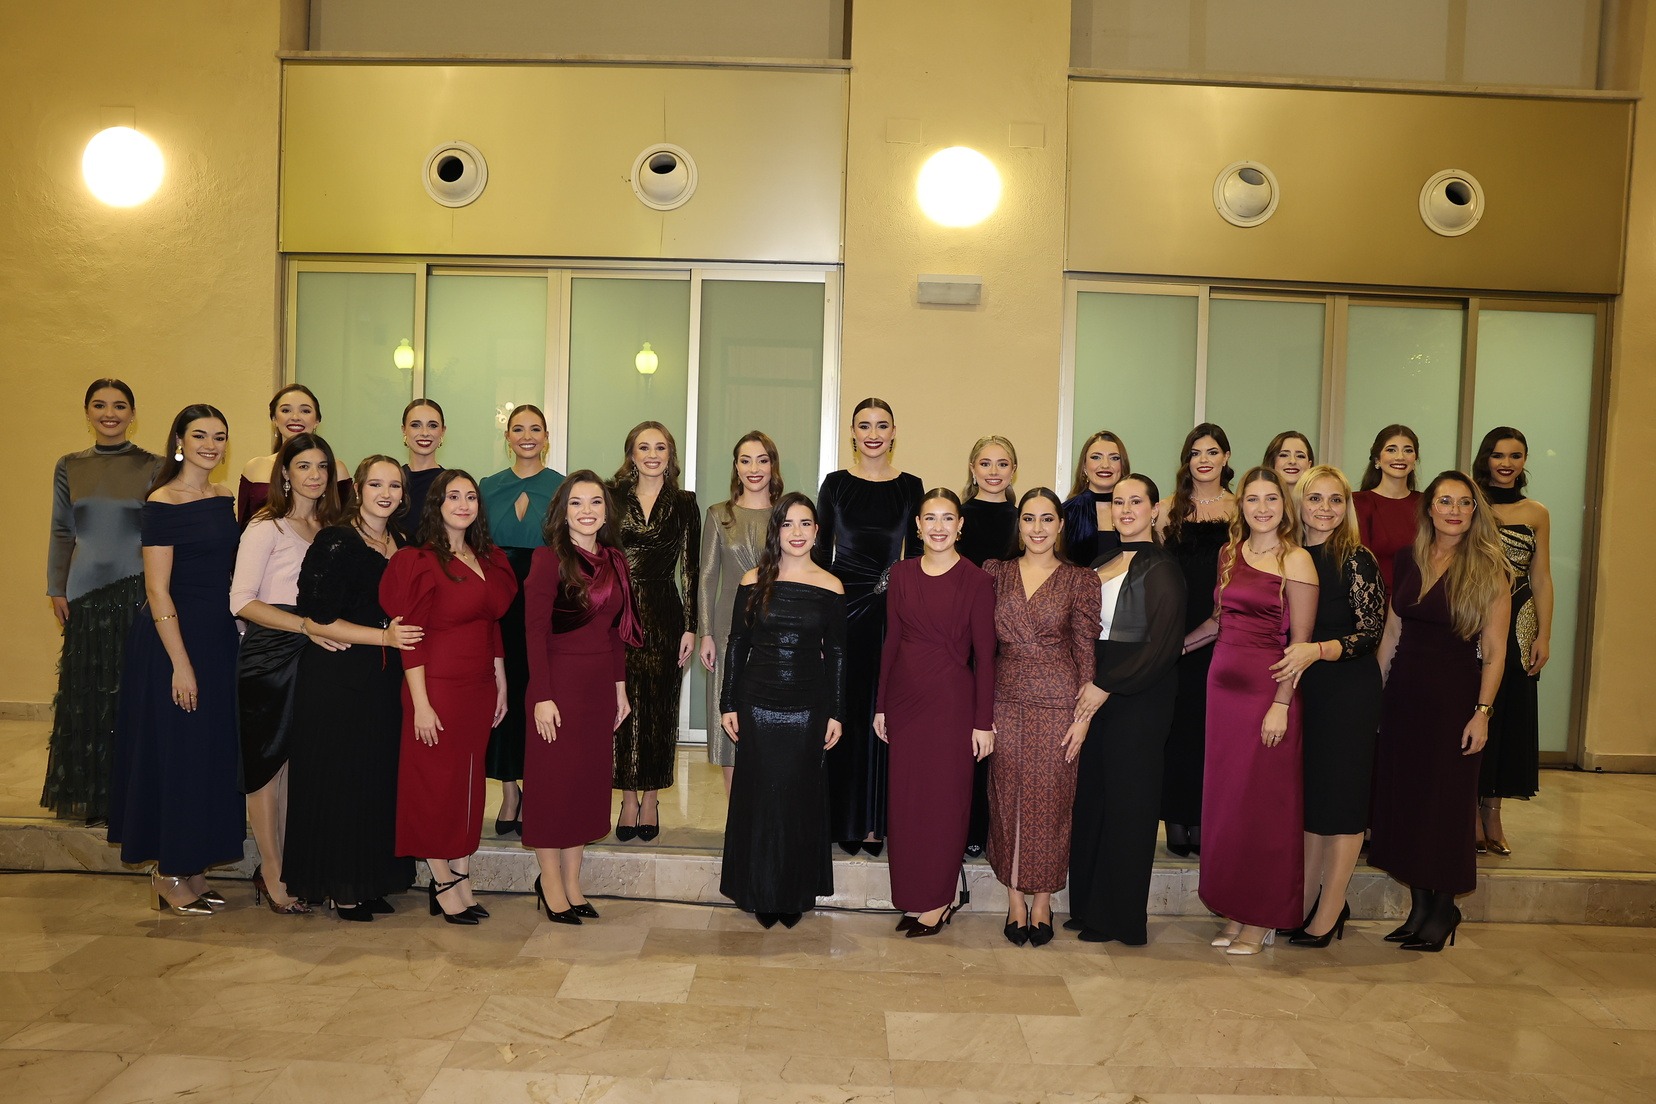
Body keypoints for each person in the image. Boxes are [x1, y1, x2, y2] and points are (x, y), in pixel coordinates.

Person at [108, 405, 245, 915]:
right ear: (180, 442)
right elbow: (157, 589)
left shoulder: (223, 497)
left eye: (219, 436)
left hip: (217, 637)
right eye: (200, 435)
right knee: (179, 754)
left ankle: (193, 866)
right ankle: (167, 872)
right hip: (173, 641)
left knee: (208, 753)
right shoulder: (162, 501)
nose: (211, 445)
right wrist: (181, 665)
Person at [1370, 472, 1511, 952]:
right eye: (1445, 501)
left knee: (1446, 805)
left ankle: (1444, 907)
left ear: (1474, 512)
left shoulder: (1489, 569)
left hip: (1454, 702)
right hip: (1404, 696)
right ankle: (1419, 909)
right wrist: (1376, 696)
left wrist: (1482, 713)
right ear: (1428, 507)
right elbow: (1392, 633)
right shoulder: (1408, 557)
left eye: (1464, 503)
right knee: (1407, 801)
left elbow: (1495, 652)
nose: (1454, 510)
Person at [1183, 466, 1318, 955]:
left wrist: (1281, 704)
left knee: (1264, 808)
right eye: (1253, 499)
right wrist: (1172, 648)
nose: (1262, 508)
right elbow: (1220, 621)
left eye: (1271, 499)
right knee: (1228, 807)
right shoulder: (1229, 553)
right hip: (1222, 695)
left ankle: (1263, 918)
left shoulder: (1297, 560)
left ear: (1285, 506)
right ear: (1240, 505)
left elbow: (1299, 647)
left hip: (1268, 695)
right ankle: (1236, 910)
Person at [282, 455, 422, 920]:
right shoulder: (336, 540)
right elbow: (317, 616)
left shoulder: (404, 541)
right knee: (342, 782)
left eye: (395, 486)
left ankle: (372, 880)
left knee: (377, 779)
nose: (386, 493)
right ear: (358, 489)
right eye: (376, 484)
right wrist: (384, 637)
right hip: (338, 677)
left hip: (385, 679)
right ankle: (342, 888)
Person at [379, 470, 518, 925]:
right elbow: (411, 638)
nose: (463, 504)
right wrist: (420, 703)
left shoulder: (489, 558)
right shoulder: (418, 560)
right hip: (435, 687)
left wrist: (500, 679)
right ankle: (442, 881)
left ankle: (462, 875)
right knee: (435, 787)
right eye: (453, 496)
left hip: (479, 687)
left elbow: (491, 623)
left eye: (471, 496)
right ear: (436, 505)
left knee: (469, 784)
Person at [1268, 466, 1385, 947]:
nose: (1325, 509)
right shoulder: (1288, 556)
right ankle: (1304, 901)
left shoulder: (1356, 558)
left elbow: (1370, 633)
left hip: (1347, 691)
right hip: (1304, 691)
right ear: (1299, 503)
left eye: (1336, 500)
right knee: (1312, 803)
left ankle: (1332, 907)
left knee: (1342, 803)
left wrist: (1316, 650)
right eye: (1315, 498)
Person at [718, 492, 847, 928]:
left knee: (798, 798)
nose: (796, 532)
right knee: (760, 797)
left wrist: (836, 712)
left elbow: (838, 655)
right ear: (776, 531)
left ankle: (793, 893)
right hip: (757, 704)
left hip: (808, 707)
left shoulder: (832, 586)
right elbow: (738, 644)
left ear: (817, 531)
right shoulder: (752, 580)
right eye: (787, 523)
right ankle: (758, 890)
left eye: (805, 523)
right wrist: (728, 703)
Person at [1068, 475, 1186, 945]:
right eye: (1119, 502)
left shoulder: (1163, 567)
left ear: (1155, 510)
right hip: (1099, 693)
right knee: (1094, 802)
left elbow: (1161, 647)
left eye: (1136, 501)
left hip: (1138, 697)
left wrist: (1104, 685)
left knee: (1129, 808)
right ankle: (1089, 908)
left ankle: (1121, 919)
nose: (1126, 509)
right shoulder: (1103, 561)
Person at [231, 431, 345, 914]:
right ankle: (273, 872)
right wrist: (302, 625)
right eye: (303, 466)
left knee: (301, 767)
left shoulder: (333, 527)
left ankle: (296, 866)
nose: (314, 475)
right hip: (270, 655)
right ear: (285, 473)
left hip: (318, 657)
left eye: (322, 466)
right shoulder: (266, 526)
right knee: (268, 768)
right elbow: (240, 601)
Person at [876, 489, 997, 937]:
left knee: (945, 803)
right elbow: (891, 641)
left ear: (960, 526)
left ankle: (940, 899)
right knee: (907, 803)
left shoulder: (977, 581)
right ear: (918, 526)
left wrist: (983, 722)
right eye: (930, 518)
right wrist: (881, 705)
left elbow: (986, 658)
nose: (939, 527)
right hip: (905, 702)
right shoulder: (901, 574)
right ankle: (914, 895)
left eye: (948, 518)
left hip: (952, 705)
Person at [981, 488, 1098, 946]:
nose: (1037, 528)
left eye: (1047, 518)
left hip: (1058, 700)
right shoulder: (995, 573)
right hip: (1005, 698)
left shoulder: (1079, 579)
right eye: (1029, 518)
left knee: (1052, 801)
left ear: (1061, 525)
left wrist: (1083, 716)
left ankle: (1044, 900)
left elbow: (1085, 648)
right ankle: (1015, 899)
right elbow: (981, 643)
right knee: (1005, 797)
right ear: (1019, 524)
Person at [523, 473, 642, 924]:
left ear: (607, 511)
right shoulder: (547, 559)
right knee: (553, 787)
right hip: (557, 685)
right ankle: (550, 883)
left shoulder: (615, 561)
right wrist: (542, 695)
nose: (587, 510)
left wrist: (620, 688)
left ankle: (573, 883)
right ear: (563, 511)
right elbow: (534, 632)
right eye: (576, 503)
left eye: (595, 502)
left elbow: (615, 632)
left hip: (597, 689)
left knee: (583, 788)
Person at [42, 379, 161, 824]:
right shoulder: (69, 465)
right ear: (87, 412)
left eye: (119, 405)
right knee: (87, 695)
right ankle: (90, 795)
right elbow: (62, 530)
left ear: (133, 413)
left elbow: (162, 534)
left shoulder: (154, 465)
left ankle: (130, 794)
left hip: (138, 591)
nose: (109, 413)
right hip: (84, 593)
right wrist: (56, 587)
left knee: (131, 693)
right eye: (99, 405)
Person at [814, 398, 923, 854]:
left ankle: (876, 822)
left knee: (885, 711)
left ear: (894, 432)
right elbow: (820, 554)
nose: (873, 434)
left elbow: (918, 557)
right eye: (864, 426)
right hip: (842, 607)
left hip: (891, 609)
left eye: (882, 426)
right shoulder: (835, 484)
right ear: (853, 434)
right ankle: (845, 819)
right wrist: (819, 620)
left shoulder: (911, 487)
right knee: (845, 710)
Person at [610, 421, 700, 841]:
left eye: (659, 447)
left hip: (665, 612)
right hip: (618, 612)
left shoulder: (684, 503)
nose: (651, 455)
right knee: (622, 706)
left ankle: (650, 798)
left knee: (661, 709)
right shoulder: (611, 497)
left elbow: (691, 569)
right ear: (631, 454)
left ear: (670, 455)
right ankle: (627, 798)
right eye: (643, 447)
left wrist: (691, 626)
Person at [479, 404, 565, 837]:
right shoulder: (487, 486)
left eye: (535, 429)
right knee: (502, 690)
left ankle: (538, 785)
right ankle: (510, 790)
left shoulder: (563, 486)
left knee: (540, 689)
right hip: (499, 598)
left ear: (546, 436)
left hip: (545, 599)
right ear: (507, 437)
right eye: (518, 429)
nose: (527, 436)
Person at [1154, 423, 1236, 858]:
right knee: (1176, 726)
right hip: (1174, 630)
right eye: (1195, 453)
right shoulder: (1168, 508)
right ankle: (1176, 819)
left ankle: (1204, 819)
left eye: (1212, 451)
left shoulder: (1241, 508)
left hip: (1223, 630)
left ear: (1226, 457)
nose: (1204, 460)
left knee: (1210, 729)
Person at [1473, 427, 1552, 854]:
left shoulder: (1536, 512)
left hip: (1520, 621)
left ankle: (1493, 813)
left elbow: (1541, 577)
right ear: (1486, 458)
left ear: (1524, 461)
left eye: (1515, 455)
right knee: (1473, 707)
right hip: (1474, 613)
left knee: (1509, 715)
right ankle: (1468, 812)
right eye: (1498, 455)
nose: (1506, 463)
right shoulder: (1470, 502)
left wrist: (1544, 634)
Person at [697, 431, 783, 794]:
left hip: (776, 627)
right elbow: (706, 577)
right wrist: (705, 633)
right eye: (745, 460)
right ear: (736, 466)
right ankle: (737, 817)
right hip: (727, 629)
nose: (754, 468)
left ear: (773, 465)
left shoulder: (785, 515)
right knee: (730, 719)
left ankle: (765, 813)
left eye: (762, 460)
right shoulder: (719, 515)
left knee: (769, 717)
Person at [958, 434, 1019, 860]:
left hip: (1012, 639)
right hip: (964, 637)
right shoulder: (958, 517)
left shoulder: (1024, 519)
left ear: (1014, 470)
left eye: (1002, 464)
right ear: (973, 469)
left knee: (1002, 738)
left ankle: (1000, 831)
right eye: (985, 463)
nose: (993, 472)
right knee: (969, 734)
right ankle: (969, 827)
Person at [236, 384, 351, 527]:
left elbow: (347, 524)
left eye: (305, 411)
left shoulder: (336, 468)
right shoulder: (255, 467)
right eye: (286, 410)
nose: (295, 417)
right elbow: (243, 526)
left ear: (317, 421)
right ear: (274, 419)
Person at [1354, 424, 1422, 593]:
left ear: (1415, 460)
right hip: (1371, 599)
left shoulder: (1426, 503)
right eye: (1391, 450)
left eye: (1408, 450)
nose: (1400, 457)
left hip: (1418, 598)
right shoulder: (1357, 503)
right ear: (1377, 459)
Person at [1060, 430, 1130, 569]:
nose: (1105, 465)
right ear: (1084, 467)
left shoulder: (1136, 512)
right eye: (1096, 457)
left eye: (1114, 458)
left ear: (1123, 466)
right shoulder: (1065, 512)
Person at [395, 399, 446, 545]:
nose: (424, 433)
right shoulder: (393, 480)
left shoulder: (451, 484)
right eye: (415, 425)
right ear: (404, 430)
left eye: (432, 426)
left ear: (443, 431)